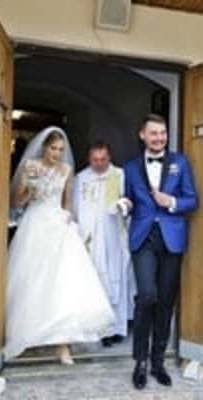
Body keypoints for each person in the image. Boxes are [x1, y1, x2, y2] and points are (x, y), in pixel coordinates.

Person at [4, 126, 115, 364]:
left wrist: (69, 222)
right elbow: (16, 201)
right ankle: (25, 337)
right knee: (32, 282)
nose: (56, 153)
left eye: (61, 149)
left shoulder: (66, 170)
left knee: (63, 283)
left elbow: (67, 203)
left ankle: (62, 345)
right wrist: (31, 191)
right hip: (34, 223)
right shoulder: (30, 166)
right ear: (44, 147)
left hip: (58, 226)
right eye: (53, 148)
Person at [122, 114, 198, 389]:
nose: (159, 138)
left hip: (171, 238)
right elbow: (127, 197)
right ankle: (140, 362)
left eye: (163, 133)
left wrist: (172, 202)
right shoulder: (130, 167)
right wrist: (125, 205)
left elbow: (192, 200)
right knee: (146, 296)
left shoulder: (181, 163)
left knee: (165, 301)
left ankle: (158, 362)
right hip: (143, 238)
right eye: (154, 133)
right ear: (142, 135)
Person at [73, 141, 135, 347]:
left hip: (113, 236)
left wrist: (124, 206)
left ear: (110, 158)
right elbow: (75, 208)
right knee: (92, 279)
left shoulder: (118, 175)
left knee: (115, 277)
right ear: (88, 159)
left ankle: (115, 328)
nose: (99, 164)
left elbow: (129, 201)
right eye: (95, 160)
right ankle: (94, 327)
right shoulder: (81, 178)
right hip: (89, 237)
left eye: (103, 159)